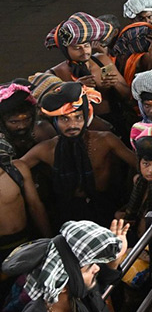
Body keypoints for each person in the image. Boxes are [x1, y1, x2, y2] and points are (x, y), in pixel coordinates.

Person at [21, 82, 137, 226]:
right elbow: (16, 168)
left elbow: (139, 165)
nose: (72, 125)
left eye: (78, 117)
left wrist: (133, 203)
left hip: (106, 207)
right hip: (67, 215)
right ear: (55, 122)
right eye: (64, 119)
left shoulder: (106, 140)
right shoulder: (46, 149)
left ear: (86, 117)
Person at [3, 219, 130, 312]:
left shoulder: (82, 297)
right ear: (61, 285)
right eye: (88, 268)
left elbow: (100, 283)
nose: (97, 268)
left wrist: (114, 259)